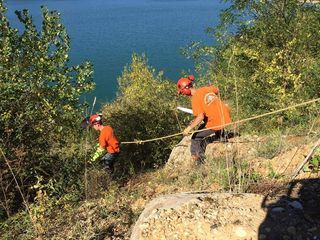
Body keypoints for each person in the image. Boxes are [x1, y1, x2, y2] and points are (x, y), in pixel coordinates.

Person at [176, 75, 232, 164]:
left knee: (195, 138)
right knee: (208, 119)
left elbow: (200, 116)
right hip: (226, 116)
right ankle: (221, 135)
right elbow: (216, 89)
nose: (183, 94)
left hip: (216, 121)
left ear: (186, 89)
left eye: (182, 92)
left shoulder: (195, 99)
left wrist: (189, 128)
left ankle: (199, 160)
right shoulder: (205, 89)